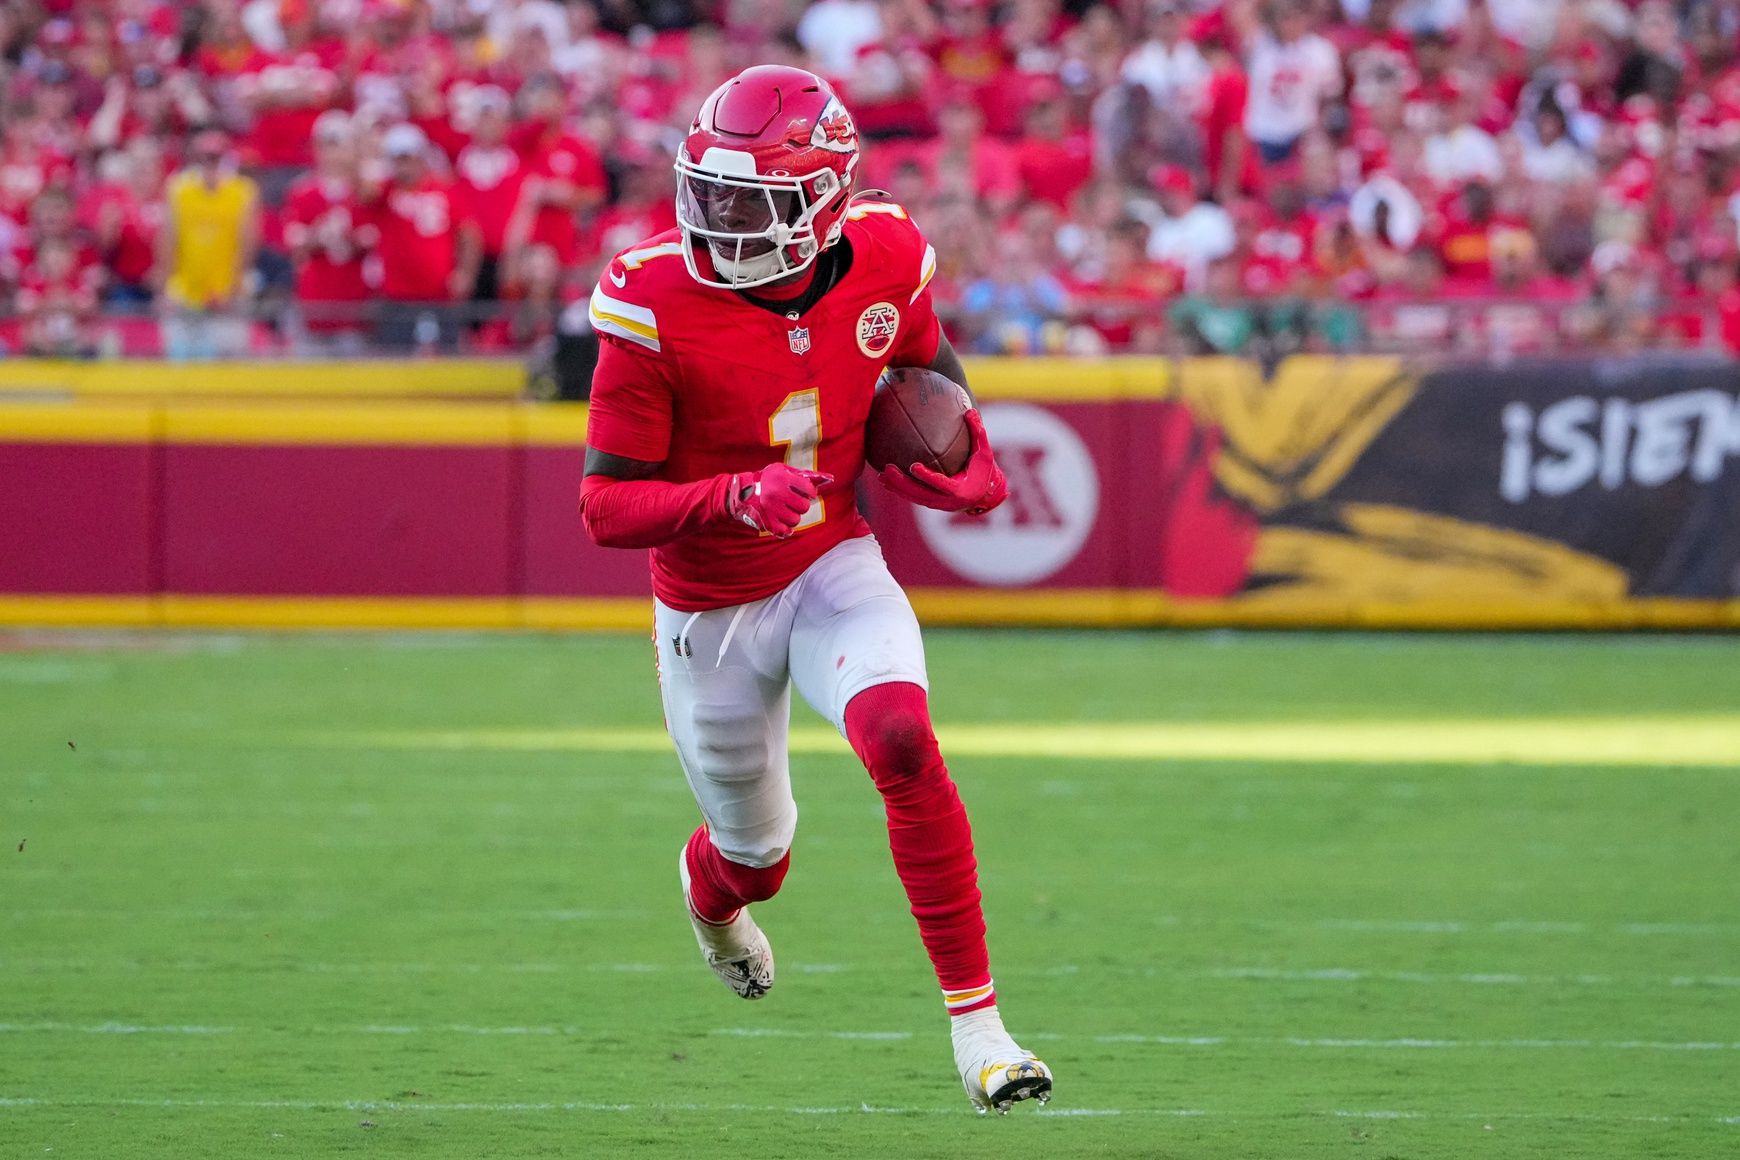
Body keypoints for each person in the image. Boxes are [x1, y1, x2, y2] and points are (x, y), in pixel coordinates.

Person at [577, 65, 1053, 1116]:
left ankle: (982, 1031)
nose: (718, 217)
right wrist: (730, 495)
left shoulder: (883, 254)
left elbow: (926, 367)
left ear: (827, 198)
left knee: (899, 736)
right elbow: (605, 509)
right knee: (757, 859)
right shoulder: (653, 300)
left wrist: (964, 450)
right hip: (710, 608)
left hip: (831, 557)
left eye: (751, 199)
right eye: (709, 190)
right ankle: (711, 902)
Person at [155, 127, 259, 360]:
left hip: (226, 295)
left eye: (216, 157)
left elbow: (248, 244)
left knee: (229, 369)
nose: (210, 164)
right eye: (205, 157)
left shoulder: (242, 192)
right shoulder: (179, 189)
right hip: (186, 293)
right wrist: (166, 288)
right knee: (181, 368)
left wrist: (232, 291)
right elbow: (168, 241)